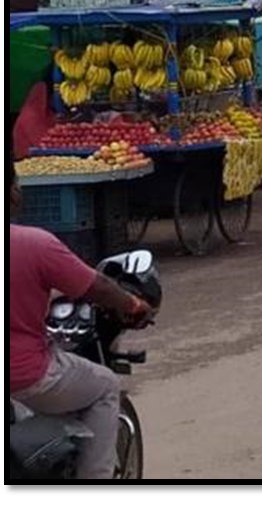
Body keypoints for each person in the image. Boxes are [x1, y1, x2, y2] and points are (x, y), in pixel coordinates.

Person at [9, 157, 154, 478]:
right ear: (14, 192)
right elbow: (98, 286)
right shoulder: (34, 244)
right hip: (24, 376)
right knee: (105, 386)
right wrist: (133, 305)